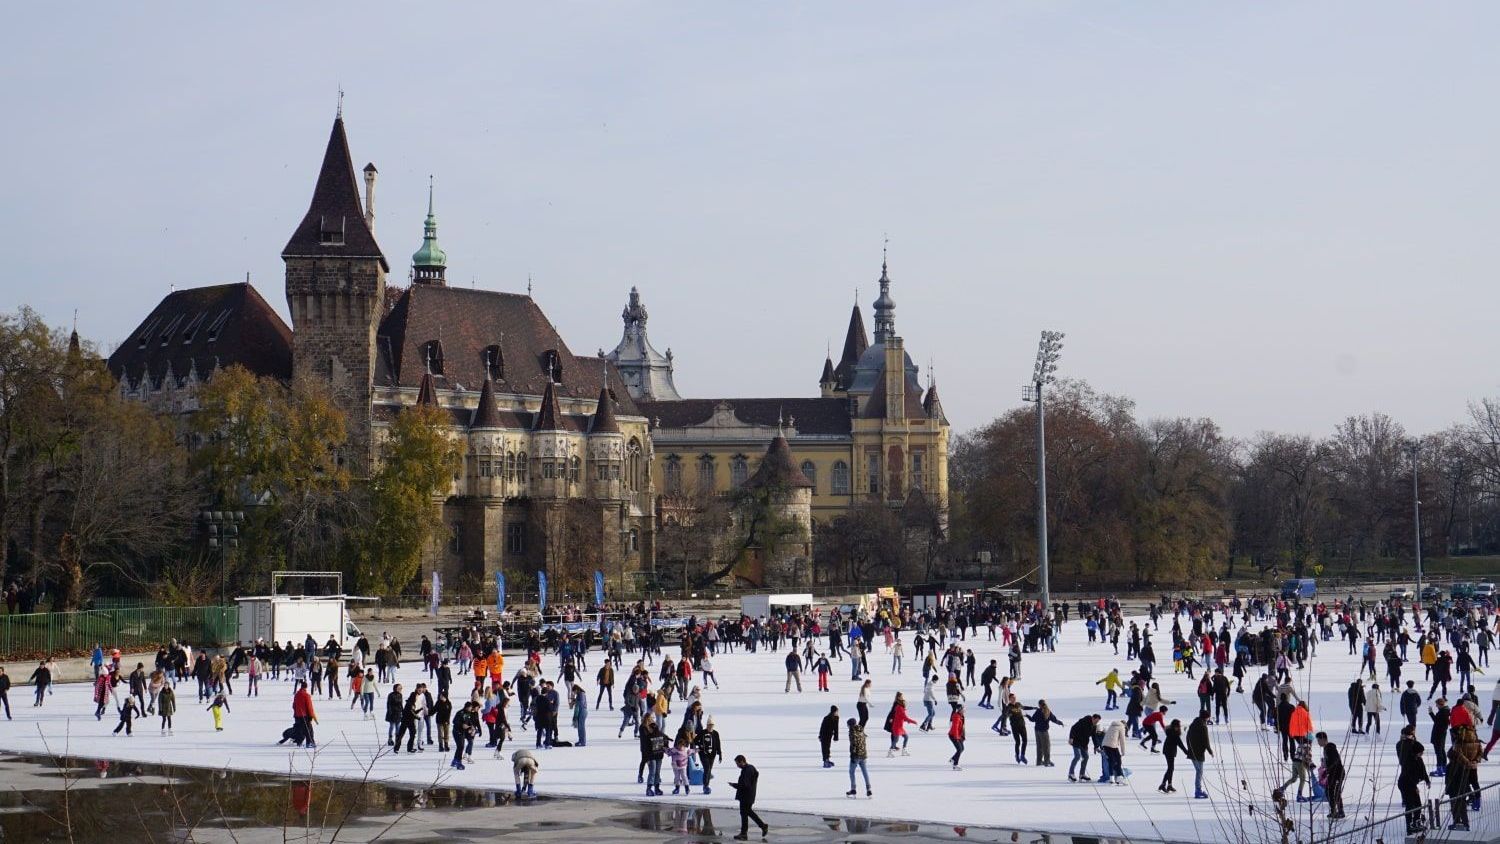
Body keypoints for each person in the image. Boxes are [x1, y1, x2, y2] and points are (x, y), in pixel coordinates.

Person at [1395, 725, 1430, 835]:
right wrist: (1410, 739)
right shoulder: (1408, 759)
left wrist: (1427, 780)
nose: (1421, 754)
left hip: (1409, 782)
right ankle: (1410, 826)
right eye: (1420, 753)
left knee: (1417, 805)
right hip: (1406, 782)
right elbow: (1409, 746)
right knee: (1410, 806)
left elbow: (1423, 769)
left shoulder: (1417, 759)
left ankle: (1415, 823)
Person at [730, 755, 769, 841]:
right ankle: (757, 828)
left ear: (742, 761)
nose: (737, 765)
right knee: (746, 813)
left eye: (737, 763)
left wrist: (735, 785)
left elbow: (745, 785)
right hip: (749, 795)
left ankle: (746, 832)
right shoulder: (750, 768)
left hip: (746, 796)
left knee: (745, 813)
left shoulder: (747, 770)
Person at [1317, 732, 1344, 820]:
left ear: (1324, 739)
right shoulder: (1326, 748)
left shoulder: (1330, 748)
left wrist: (1328, 769)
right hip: (1333, 773)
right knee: (1330, 792)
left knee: (1334, 792)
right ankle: (1335, 811)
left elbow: (1335, 761)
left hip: (1337, 773)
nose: (1318, 742)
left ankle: (1339, 811)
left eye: (1319, 740)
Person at [1186, 711, 1213, 799]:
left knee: (1198, 771)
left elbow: (1187, 737)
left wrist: (1189, 748)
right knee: (1199, 772)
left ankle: (1198, 790)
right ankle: (1198, 790)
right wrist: (1210, 751)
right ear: (1206, 717)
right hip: (1199, 752)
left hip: (1192, 751)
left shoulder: (1193, 724)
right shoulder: (1203, 726)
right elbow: (1206, 740)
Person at [1031, 699, 1064, 767]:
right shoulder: (1048, 711)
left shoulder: (1038, 711)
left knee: (1039, 747)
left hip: (1037, 731)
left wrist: (1027, 716)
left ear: (1039, 705)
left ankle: (1039, 761)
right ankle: (1047, 761)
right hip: (1043, 732)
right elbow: (1054, 720)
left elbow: (1032, 719)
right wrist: (1060, 723)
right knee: (1046, 747)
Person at [1068, 713, 1100, 782]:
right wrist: (1071, 738)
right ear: (1092, 718)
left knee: (1086, 757)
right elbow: (1073, 728)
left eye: (1098, 722)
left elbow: (1094, 737)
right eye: (1096, 721)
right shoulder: (1083, 722)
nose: (1096, 723)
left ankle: (1082, 774)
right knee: (1077, 756)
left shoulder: (1094, 726)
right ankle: (1071, 774)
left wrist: (1096, 746)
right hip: (1076, 742)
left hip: (1084, 744)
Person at [694, 718, 723, 795]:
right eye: (709, 725)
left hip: (712, 754)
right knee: (707, 768)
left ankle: (707, 785)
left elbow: (718, 744)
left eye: (712, 725)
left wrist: (720, 754)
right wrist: (700, 745)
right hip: (703, 754)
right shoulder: (702, 732)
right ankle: (705, 786)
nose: (710, 726)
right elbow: (695, 741)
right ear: (707, 725)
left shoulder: (716, 733)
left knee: (709, 770)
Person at [846, 718, 871, 797]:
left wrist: (853, 756)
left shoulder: (852, 732)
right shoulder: (861, 729)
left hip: (856, 755)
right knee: (865, 771)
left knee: (851, 771)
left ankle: (853, 789)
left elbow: (853, 744)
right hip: (863, 754)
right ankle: (869, 789)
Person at [1159, 718, 1185, 793]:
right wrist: (1187, 752)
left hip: (1169, 751)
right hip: (1169, 752)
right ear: (1174, 726)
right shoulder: (1173, 734)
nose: (1179, 727)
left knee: (1171, 768)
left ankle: (1168, 785)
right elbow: (1180, 745)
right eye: (1178, 726)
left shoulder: (1172, 732)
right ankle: (1164, 784)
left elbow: (1180, 744)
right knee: (1170, 768)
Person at [886, 692, 916, 756]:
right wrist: (913, 721)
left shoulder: (900, 708)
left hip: (900, 727)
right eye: (905, 704)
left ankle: (903, 750)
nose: (906, 705)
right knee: (896, 740)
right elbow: (905, 717)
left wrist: (906, 720)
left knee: (906, 737)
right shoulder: (900, 709)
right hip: (897, 727)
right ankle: (890, 752)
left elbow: (903, 718)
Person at [1099, 719, 1126, 785]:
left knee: (1111, 761)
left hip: (1105, 744)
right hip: (1112, 745)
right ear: (1124, 724)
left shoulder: (1112, 725)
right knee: (1118, 761)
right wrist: (1123, 751)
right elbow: (1122, 740)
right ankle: (1119, 778)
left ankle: (1112, 779)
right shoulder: (1121, 727)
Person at [948, 703, 967, 770]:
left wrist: (963, 736)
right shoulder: (956, 716)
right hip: (953, 735)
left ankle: (953, 759)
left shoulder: (961, 716)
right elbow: (955, 727)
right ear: (959, 709)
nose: (964, 710)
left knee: (962, 749)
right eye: (963, 709)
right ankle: (955, 765)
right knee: (959, 750)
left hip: (959, 735)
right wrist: (956, 738)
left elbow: (962, 727)